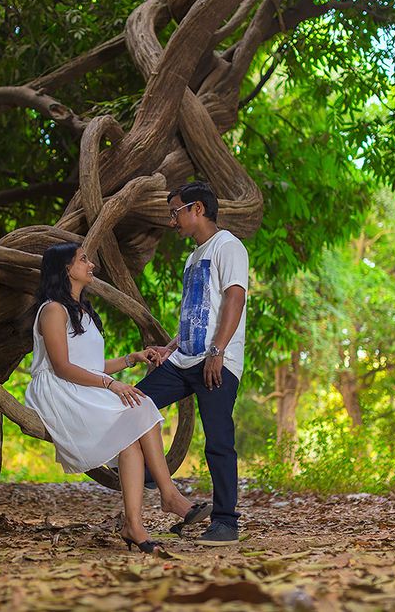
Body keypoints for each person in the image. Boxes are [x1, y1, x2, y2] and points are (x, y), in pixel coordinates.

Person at [25, 242, 212, 554]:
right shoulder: (52, 310)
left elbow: (90, 365)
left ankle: (134, 524)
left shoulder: (83, 311)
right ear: (66, 269)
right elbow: (62, 367)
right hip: (59, 391)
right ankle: (168, 495)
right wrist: (110, 385)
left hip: (83, 386)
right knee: (142, 407)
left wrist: (133, 358)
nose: (91, 264)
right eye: (83, 260)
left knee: (132, 433)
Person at [137, 181, 249, 547]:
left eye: (176, 212)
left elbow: (234, 300)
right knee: (135, 403)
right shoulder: (192, 257)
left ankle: (226, 523)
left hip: (217, 361)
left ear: (197, 209)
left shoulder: (228, 246)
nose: (173, 221)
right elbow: (194, 314)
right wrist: (170, 347)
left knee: (218, 441)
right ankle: (154, 472)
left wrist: (217, 352)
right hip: (184, 359)